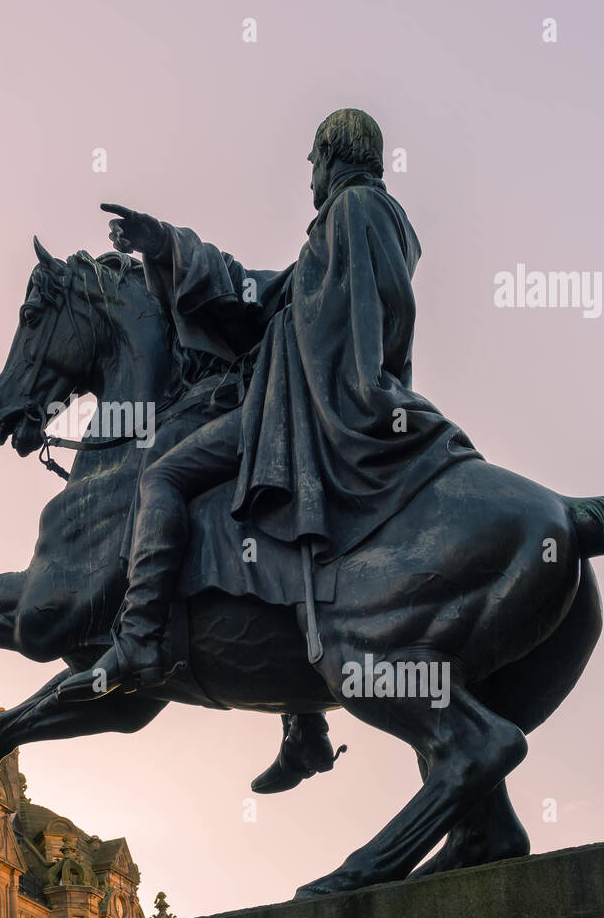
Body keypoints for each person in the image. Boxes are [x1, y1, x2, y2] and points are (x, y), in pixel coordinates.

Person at [52, 107, 480, 707]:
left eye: (312, 162)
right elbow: (273, 299)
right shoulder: (362, 222)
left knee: (166, 475)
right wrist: (168, 246)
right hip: (310, 397)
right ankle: (301, 720)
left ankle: (140, 636)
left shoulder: (355, 212)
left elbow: (334, 322)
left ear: (333, 157)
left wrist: (329, 384)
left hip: (310, 406)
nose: (309, 176)